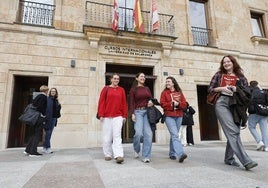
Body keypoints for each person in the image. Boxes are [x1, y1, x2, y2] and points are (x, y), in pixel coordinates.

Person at [208, 55, 258, 170]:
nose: (226, 64)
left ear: (233, 63)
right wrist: (221, 88)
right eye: (224, 62)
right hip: (222, 103)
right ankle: (246, 161)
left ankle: (229, 158)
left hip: (236, 105)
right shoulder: (218, 75)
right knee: (233, 131)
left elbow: (248, 92)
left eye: (228, 61)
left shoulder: (240, 76)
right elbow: (210, 89)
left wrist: (237, 89)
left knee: (235, 131)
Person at [97, 73, 127, 164]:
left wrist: (124, 115)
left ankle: (118, 155)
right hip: (106, 116)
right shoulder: (106, 89)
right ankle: (108, 154)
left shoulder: (121, 90)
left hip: (118, 116)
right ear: (111, 79)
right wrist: (101, 114)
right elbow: (101, 102)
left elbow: (124, 103)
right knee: (107, 136)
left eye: (118, 79)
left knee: (117, 135)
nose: (116, 80)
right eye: (114, 78)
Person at [160, 76, 188, 163]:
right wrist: (172, 104)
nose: (167, 83)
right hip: (169, 116)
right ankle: (180, 153)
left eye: (169, 81)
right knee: (175, 134)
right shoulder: (164, 93)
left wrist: (178, 104)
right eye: (166, 82)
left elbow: (185, 104)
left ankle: (172, 153)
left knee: (174, 135)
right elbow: (162, 104)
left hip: (179, 115)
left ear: (173, 83)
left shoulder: (179, 93)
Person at [129, 72, 154, 163]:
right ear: (137, 78)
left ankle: (146, 156)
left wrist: (151, 102)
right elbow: (131, 103)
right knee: (138, 133)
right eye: (141, 76)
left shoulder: (147, 88)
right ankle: (136, 149)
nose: (143, 78)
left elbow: (151, 99)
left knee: (148, 134)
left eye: (144, 76)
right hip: (138, 112)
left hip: (147, 112)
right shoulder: (133, 90)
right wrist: (132, 114)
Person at [24, 85, 49, 157]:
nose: (48, 92)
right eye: (47, 90)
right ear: (46, 90)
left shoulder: (37, 96)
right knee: (38, 134)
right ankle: (33, 152)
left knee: (33, 133)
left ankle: (28, 150)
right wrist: (44, 115)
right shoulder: (43, 97)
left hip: (34, 118)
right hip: (38, 117)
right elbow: (40, 107)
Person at [248, 80, 268, 152]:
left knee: (251, 127)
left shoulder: (250, 92)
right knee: (264, 130)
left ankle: (259, 141)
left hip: (253, 113)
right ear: (257, 85)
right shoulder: (264, 92)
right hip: (264, 113)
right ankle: (266, 147)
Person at [43, 88, 61, 154]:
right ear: (50, 92)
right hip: (48, 118)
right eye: (52, 91)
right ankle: (48, 147)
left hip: (54, 118)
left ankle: (45, 147)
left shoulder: (56, 100)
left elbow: (58, 110)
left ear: (56, 93)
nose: (53, 92)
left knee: (49, 133)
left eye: (54, 91)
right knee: (48, 132)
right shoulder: (47, 99)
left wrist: (59, 104)